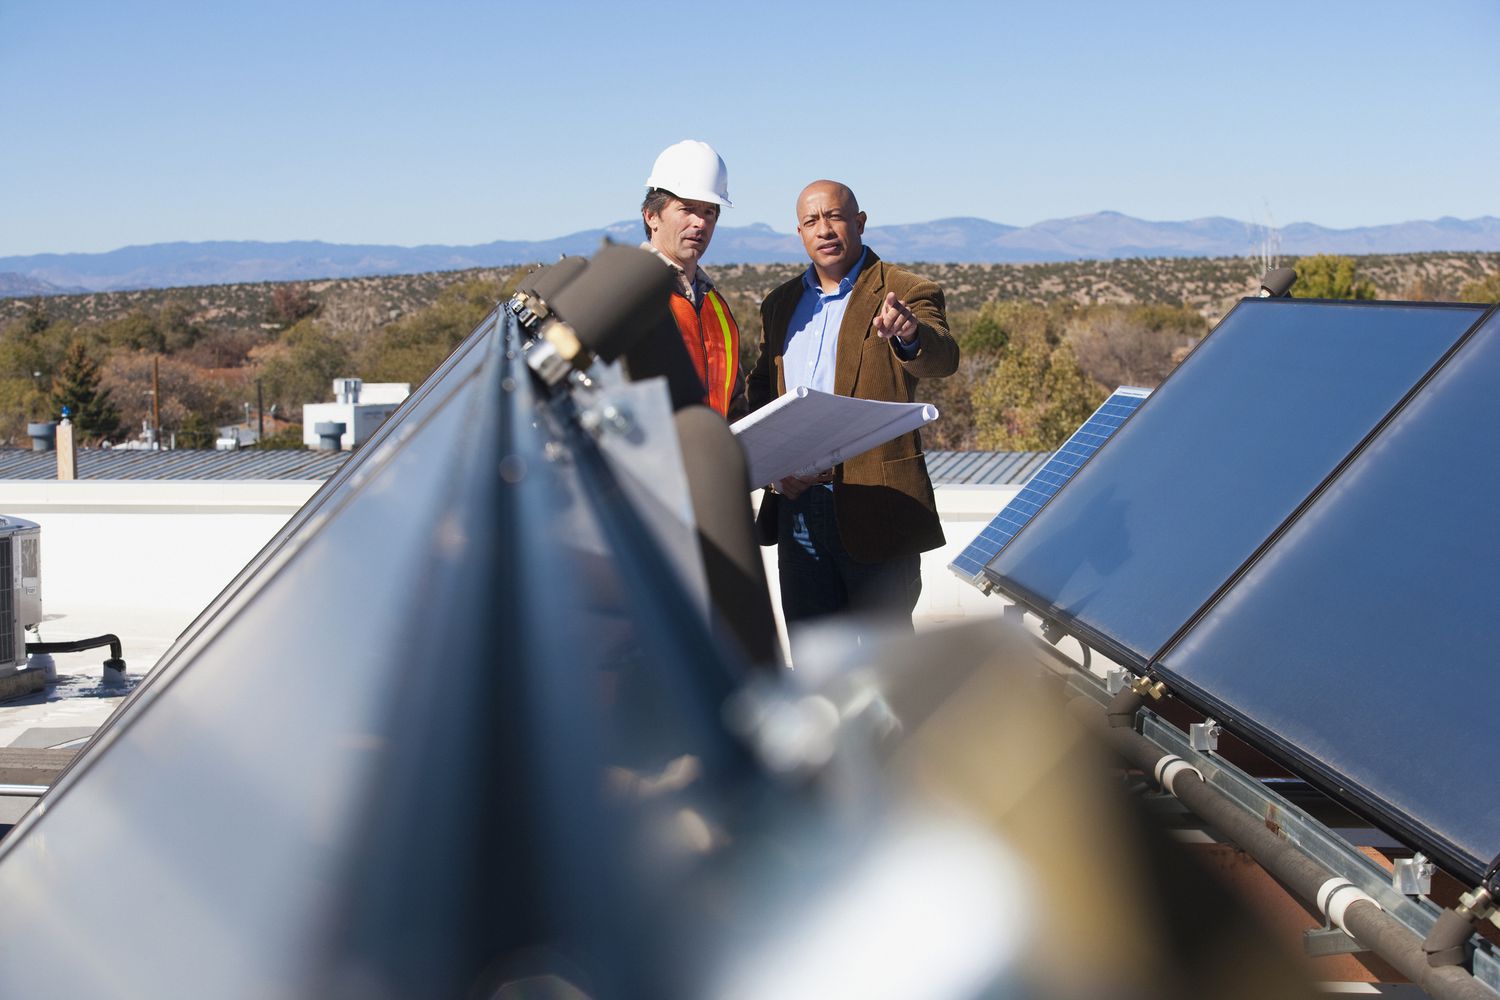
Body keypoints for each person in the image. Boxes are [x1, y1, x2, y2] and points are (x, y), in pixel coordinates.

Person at [747, 180, 959, 644]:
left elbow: (943, 358)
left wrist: (910, 335)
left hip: (876, 507)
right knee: (816, 664)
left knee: (887, 667)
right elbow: (761, 389)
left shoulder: (905, 290)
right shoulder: (780, 304)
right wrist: (774, 470)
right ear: (799, 233)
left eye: (835, 217)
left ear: (859, 222)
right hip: (798, 511)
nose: (824, 230)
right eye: (811, 221)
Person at [640, 140, 746, 419]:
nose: (700, 223)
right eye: (687, 209)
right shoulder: (627, 295)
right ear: (651, 216)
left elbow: (733, 401)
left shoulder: (716, 307)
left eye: (709, 212)